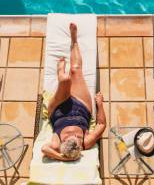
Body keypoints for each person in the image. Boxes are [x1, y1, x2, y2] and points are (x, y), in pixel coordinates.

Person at [41, 23, 106, 161]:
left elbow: (44, 149)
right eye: (78, 137)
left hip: (58, 109)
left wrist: (61, 157)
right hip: (81, 105)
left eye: (71, 138)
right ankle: (74, 40)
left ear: (63, 143)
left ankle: (61, 77)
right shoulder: (86, 143)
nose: (76, 135)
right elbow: (101, 125)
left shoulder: (56, 144)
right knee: (75, 70)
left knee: (65, 82)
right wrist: (100, 105)